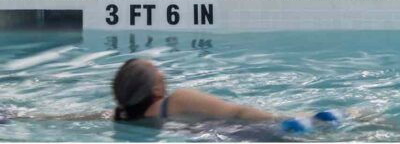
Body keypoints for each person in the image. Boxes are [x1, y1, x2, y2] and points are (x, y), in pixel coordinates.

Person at [112, 59, 333, 130]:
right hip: (244, 133)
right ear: (156, 89)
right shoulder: (179, 99)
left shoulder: (128, 118)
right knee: (352, 121)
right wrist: (282, 119)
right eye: (162, 78)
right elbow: (238, 112)